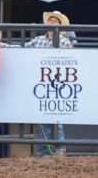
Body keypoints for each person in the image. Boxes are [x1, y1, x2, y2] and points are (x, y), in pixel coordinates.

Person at [30, 11, 72, 157]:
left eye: (55, 21)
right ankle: (44, 150)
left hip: (59, 83)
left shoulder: (65, 42)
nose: (52, 23)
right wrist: (0, 44)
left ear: (59, 25)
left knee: (58, 116)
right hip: (42, 82)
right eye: (51, 20)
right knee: (43, 117)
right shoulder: (38, 40)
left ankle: (60, 148)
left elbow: (71, 61)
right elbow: (21, 48)